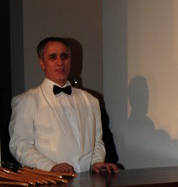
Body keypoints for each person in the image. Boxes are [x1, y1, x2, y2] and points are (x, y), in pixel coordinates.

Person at [8, 37, 118, 174]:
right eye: (53, 57)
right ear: (42, 63)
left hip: (87, 180)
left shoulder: (90, 100)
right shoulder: (26, 101)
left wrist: (97, 161)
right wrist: (50, 166)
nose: (60, 62)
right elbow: (20, 146)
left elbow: (97, 142)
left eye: (64, 56)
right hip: (49, 181)